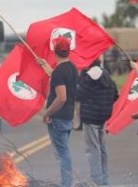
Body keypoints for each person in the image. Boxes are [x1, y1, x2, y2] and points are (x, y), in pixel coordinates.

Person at [37, 36, 78, 187]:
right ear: (68, 51)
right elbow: (59, 77)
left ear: (55, 51)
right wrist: (46, 66)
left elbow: (62, 98)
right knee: (64, 152)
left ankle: (66, 184)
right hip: (67, 117)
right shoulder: (72, 68)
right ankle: (67, 182)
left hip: (58, 118)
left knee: (62, 155)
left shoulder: (58, 72)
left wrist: (47, 113)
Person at [75, 59, 118, 185]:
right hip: (103, 117)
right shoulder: (106, 75)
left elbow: (77, 94)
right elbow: (115, 94)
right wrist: (104, 104)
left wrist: (80, 78)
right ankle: (104, 179)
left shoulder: (89, 77)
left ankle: (96, 181)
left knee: (92, 150)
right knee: (102, 149)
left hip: (90, 117)